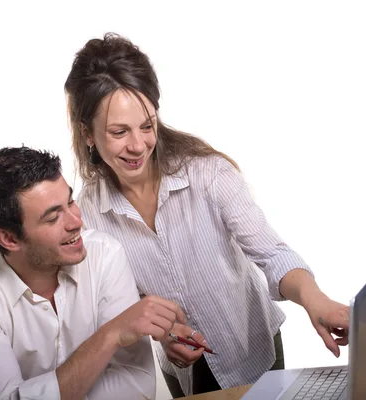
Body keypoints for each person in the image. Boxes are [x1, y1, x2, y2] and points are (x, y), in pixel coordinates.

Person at [63, 33, 350, 398]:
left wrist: (316, 300)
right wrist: (164, 335)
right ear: (87, 134)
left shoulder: (208, 173)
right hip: (182, 370)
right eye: (119, 132)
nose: (138, 146)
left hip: (253, 351)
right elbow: (123, 303)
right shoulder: (87, 214)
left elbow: (272, 253)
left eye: (147, 125)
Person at [0, 146, 186, 400]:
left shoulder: (104, 255)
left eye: (70, 201)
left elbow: (137, 386)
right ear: (8, 238)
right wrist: (110, 336)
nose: (76, 222)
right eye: (52, 218)